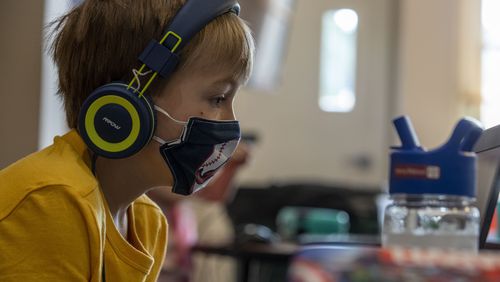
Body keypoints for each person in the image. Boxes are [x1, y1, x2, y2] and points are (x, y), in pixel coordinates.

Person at [0, 0, 254, 281]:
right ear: (126, 106)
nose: (231, 121)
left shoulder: (147, 222)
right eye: (218, 97)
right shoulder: (51, 203)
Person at [148, 142, 253, 281]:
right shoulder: (155, 162)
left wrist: (231, 167)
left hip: (177, 265)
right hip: (157, 265)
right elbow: (184, 192)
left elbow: (213, 195)